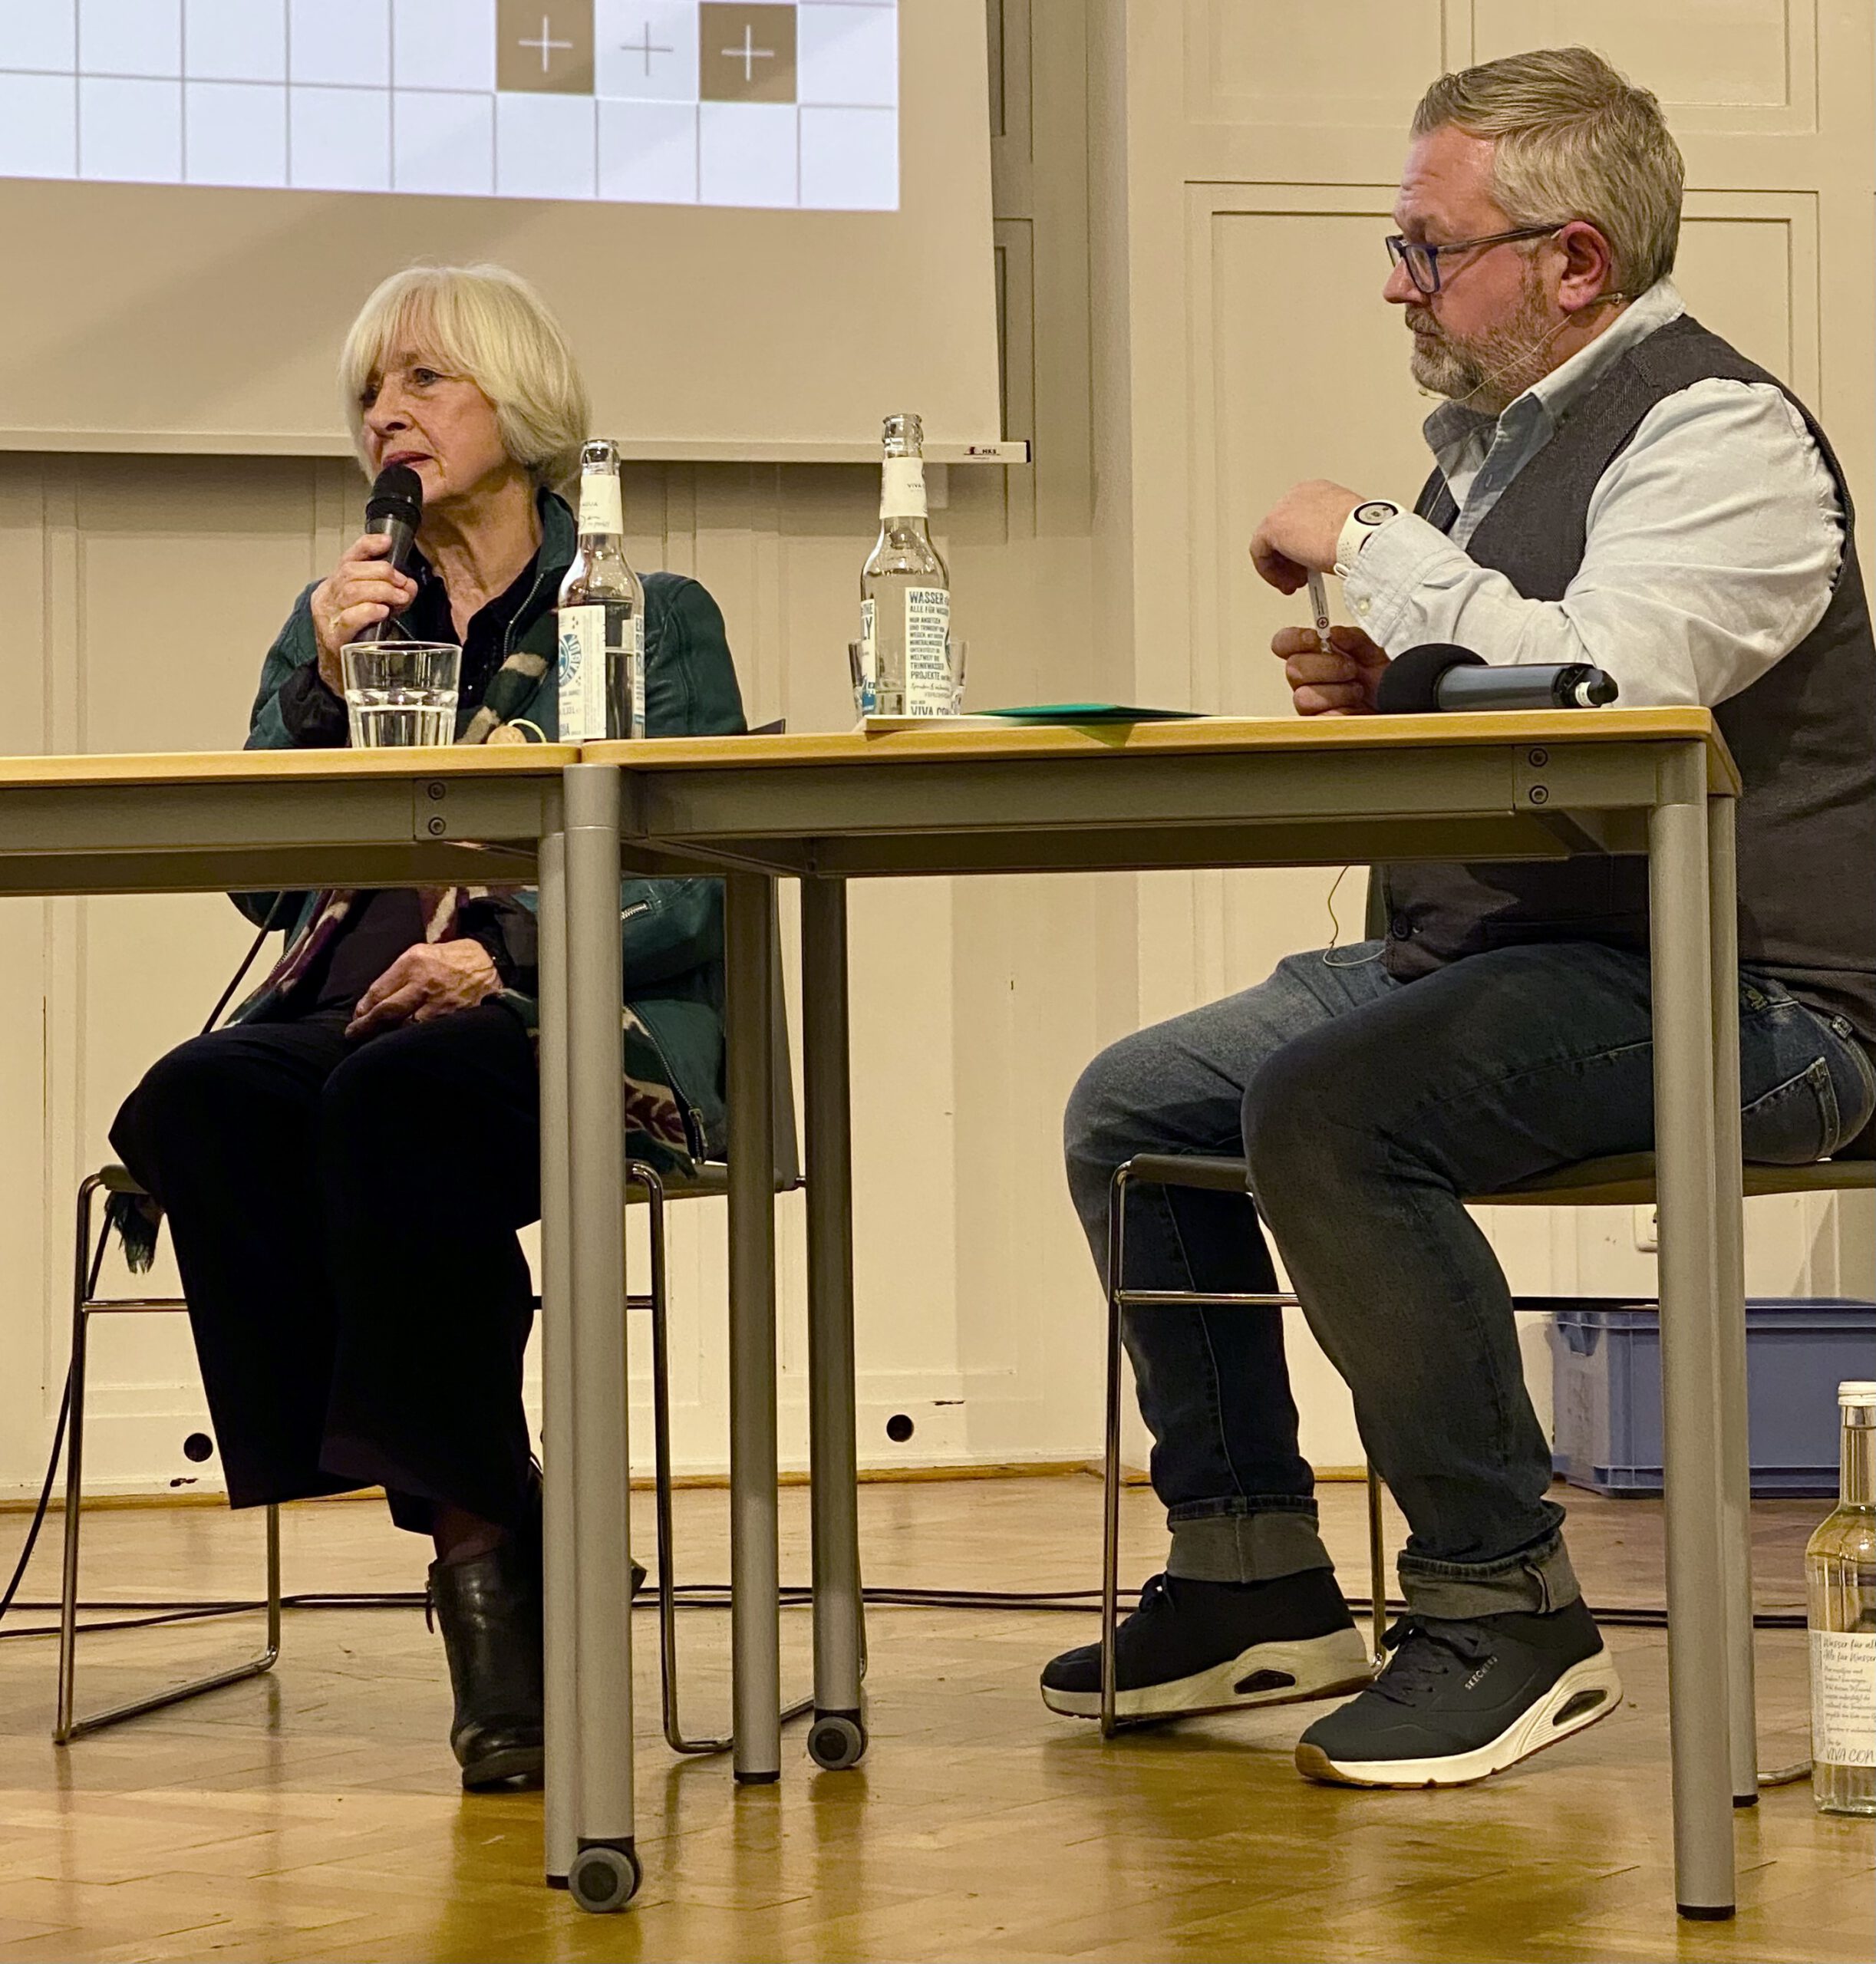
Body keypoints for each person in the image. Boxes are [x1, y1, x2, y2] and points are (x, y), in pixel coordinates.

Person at [1045, 48, 1875, 1787]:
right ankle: (1253, 1570)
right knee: (1134, 1107)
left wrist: (1364, 534)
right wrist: (1395, 690)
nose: (1395, 283)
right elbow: (1522, 680)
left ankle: (1504, 1608)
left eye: (1427, 247)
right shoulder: (1491, 458)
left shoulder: (1719, 433)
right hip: (1511, 963)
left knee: (1330, 1108)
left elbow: (1610, 682)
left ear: (1572, 261)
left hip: (1754, 1000)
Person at [109, 262, 746, 1791]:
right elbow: (263, 881)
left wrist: (499, 949)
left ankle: (477, 1563)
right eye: (366, 395)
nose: (385, 416)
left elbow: (695, 881)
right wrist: (318, 691)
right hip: (348, 1012)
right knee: (199, 1100)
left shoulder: (640, 611)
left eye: (422, 381)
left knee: (395, 1101)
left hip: (554, 1018)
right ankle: (494, 1506)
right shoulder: (338, 619)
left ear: (516, 405)